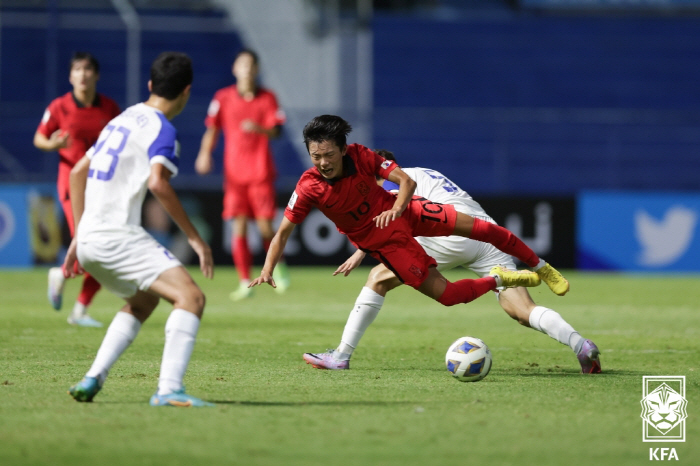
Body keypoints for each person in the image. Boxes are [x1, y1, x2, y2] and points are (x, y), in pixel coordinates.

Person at [303, 150, 601, 374]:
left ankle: (342, 354)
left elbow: (389, 219)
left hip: (448, 235)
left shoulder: (389, 184)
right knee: (522, 310)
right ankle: (580, 345)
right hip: (481, 232)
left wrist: (360, 252)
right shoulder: (425, 172)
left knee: (378, 278)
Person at [250, 115, 569, 324]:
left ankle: (541, 266)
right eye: (315, 156)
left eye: (328, 155)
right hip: (393, 242)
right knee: (449, 296)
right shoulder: (307, 187)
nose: (322, 162)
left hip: (412, 213)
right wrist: (267, 269)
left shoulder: (364, 157)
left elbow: (405, 182)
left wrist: (398, 209)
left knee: (486, 229)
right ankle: (501, 279)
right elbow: (282, 233)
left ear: (344, 150)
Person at [63, 51, 215, 407]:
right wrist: (196, 239)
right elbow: (159, 184)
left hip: (89, 239)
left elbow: (75, 173)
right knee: (191, 298)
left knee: (143, 301)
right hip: (117, 237)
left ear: (150, 85)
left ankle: (92, 378)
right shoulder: (163, 129)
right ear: (187, 92)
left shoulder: (120, 118)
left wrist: (78, 235)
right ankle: (168, 390)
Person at [34, 51, 121, 327]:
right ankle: (65, 281)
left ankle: (78, 306)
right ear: (71, 76)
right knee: (89, 247)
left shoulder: (109, 108)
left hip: (102, 185)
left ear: (96, 75)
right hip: (73, 184)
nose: (82, 74)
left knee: (104, 252)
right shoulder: (59, 107)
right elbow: (39, 137)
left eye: (87, 69)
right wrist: (53, 145)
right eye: (77, 70)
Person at [195, 49, 289, 301]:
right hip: (234, 175)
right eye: (242, 64)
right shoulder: (222, 98)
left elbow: (278, 130)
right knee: (238, 227)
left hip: (260, 172)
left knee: (264, 226)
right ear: (235, 69)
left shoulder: (268, 97)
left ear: (256, 70)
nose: (246, 68)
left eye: (250, 64)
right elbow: (211, 129)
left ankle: (278, 270)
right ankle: (244, 281)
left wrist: (261, 129)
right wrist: (205, 154)